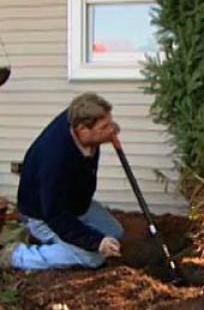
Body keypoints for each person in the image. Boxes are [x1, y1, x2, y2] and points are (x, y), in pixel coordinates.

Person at [0, 92, 123, 270]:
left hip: (76, 203)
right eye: (105, 127)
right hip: (43, 215)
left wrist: (106, 130)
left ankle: (64, 243)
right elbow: (55, 215)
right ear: (82, 129)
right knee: (94, 258)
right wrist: (96, 242)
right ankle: (17, 256)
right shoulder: (55, 159)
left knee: (114, 233)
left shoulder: (77, 118)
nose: (112, 130)